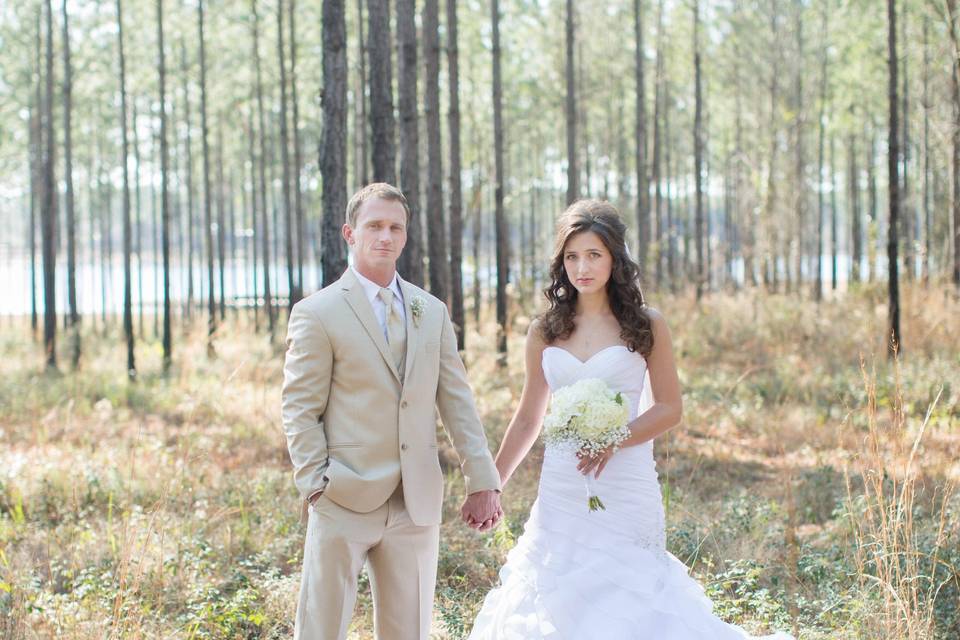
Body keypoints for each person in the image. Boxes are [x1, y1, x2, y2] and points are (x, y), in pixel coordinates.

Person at [468, 199, 794, 639]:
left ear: (615, 257)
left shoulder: (645, 324)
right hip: (563, 489)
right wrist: (492, 485)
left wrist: (615, 439)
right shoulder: (544, 330)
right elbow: (528, 417)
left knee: (633, 596)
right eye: (571, 256)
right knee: (554, 592)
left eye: (593, 255)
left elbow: (669, 408)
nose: (581, 267)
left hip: (626, 483)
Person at [282, 182, 503, 640]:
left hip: (415, 502)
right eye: (374, 226)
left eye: (395, 227)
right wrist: (315, 485)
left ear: (405, 236)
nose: (385, 236)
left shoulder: (432, 311)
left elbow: (457, 400)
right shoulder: (317, 313)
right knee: (319, 631)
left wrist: (482, 479)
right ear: (350, 232)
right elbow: (300, 408)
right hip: (342, 494)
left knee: (410, 633)